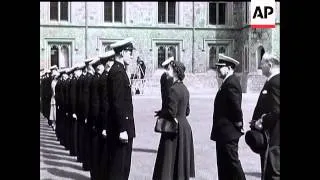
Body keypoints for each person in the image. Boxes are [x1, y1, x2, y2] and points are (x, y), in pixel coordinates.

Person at [153, 60, 195, 180]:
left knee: (168, 161)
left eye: (170, 69)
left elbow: (171, 111)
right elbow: (187, 111)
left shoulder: (173, 89)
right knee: (180, 162)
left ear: (176, 72)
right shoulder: (185, 89)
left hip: (173, 129)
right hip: (185, 127)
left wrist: (161, 113)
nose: (168, 71)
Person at [210, 54, 246, 180]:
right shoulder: (227, 82)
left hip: (229, 132)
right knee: (224, 164)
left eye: (221, 67)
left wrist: (238, 123)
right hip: (223, 132)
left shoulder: (231, 83)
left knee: (232, 163)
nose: (218, 70)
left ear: (230, 68)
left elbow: (235, 107)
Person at [104, 38, 136, 180]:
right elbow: (117, 103)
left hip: (121, 126)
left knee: (122, 167)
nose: (131, 55)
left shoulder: (120, 70)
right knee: (119, 168)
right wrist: (123, 129)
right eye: (130, 52)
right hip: (120, 128)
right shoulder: (118, 72)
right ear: (122, 52)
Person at [250, 53, 280, 180]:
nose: (260, 66)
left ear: (270, 64)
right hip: (272, 135)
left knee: (272, 172)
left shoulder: (275, 82)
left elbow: (276, 110)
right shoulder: (272, 81)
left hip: (274, 137)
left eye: (262, 63)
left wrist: (261, 121)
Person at [89, 57, 105, 180]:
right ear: (98, 67)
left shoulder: (95, 79)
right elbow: (95, 102)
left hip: (95, 118)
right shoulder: (96, 80)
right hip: (96, 118)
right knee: (95, 147)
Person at [49, 65, 59, 131]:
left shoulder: (54, 82)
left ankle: (54, 123)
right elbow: (54, 92)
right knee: (54, 112)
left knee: (54, 111)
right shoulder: (53, 82)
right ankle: (54, 124)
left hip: (53, 99)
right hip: (54, 99)